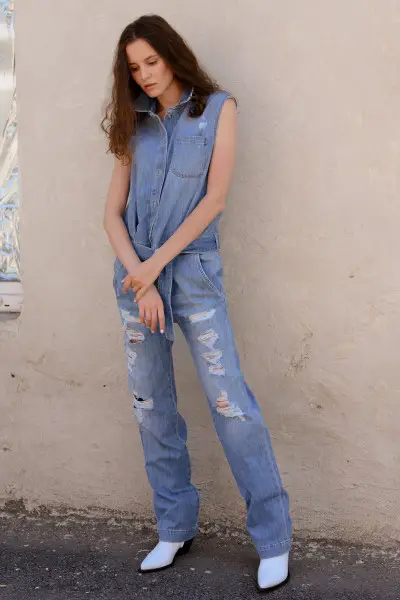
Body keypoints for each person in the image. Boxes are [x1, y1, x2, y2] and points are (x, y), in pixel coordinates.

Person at [102, 14, 292, 592]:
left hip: (192, 276)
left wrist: (158, 268)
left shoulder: (217, 109)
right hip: (138, 282)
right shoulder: (133, 122)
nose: (145, 75)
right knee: (151, 406)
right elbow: (111, 214)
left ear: (171, 54)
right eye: (135, 68)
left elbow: (213, 201)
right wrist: (141, 276)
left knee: (230, 404)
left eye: (152, 62)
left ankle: (273, 537)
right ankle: (174, 525)